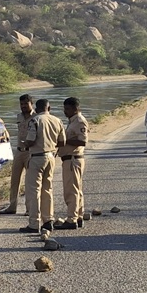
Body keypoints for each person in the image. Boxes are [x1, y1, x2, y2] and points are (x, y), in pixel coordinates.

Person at [18, 97, 64, 234]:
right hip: (51, 156)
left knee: (33, 191)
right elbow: (62, 141)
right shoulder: (57, 120)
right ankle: (48, 220)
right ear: (49, 108)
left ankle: (34, 223)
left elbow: (31, 140)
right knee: (47, 189)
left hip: (37, 157)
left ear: (36, 109)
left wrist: (24, 144)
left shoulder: (35, 120)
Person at [57, 97, 89, 229]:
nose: (65, 111)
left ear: (76, 109)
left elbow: (83, 141)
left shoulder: (80, 122)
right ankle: (79, 215)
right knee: (76, 189)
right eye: (64, 109)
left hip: (73, 159)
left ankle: (71, 219)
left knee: (71, 191)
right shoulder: (72, 121)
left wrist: (65, 141)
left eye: (68, 109)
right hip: (70, 159)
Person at [0, 93, 34, 216]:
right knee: (14, 180)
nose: (23, 106)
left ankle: (30, 208)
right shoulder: (19, 116)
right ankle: (12, 206)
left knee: (30, 181)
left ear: (32, 103)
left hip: (30, 152)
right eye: (21, 104)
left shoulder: (36, 117)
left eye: (26, 103)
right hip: (19, 151)